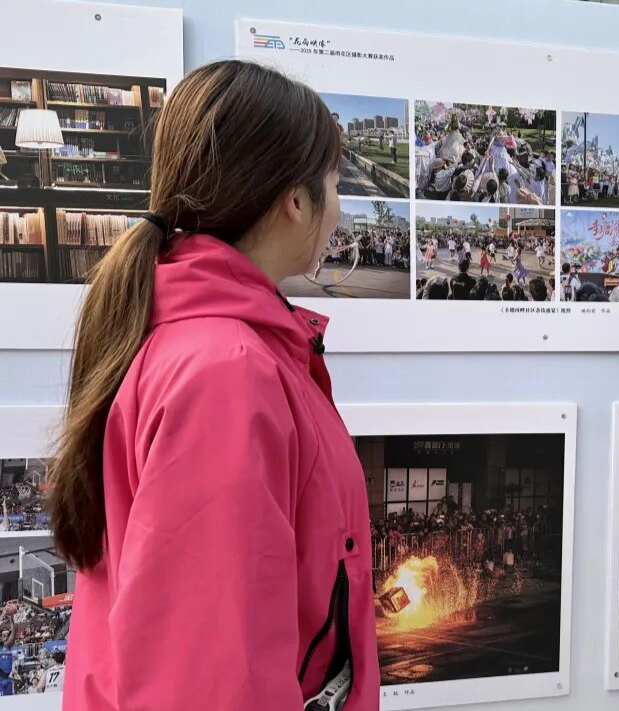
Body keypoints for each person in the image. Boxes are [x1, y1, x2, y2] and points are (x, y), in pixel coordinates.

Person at [48, 61, 379, 711]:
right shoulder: (226, 370)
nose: (339, 209)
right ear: (294, 198)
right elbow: (215, 680)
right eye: (336, 183)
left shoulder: (211, 342)